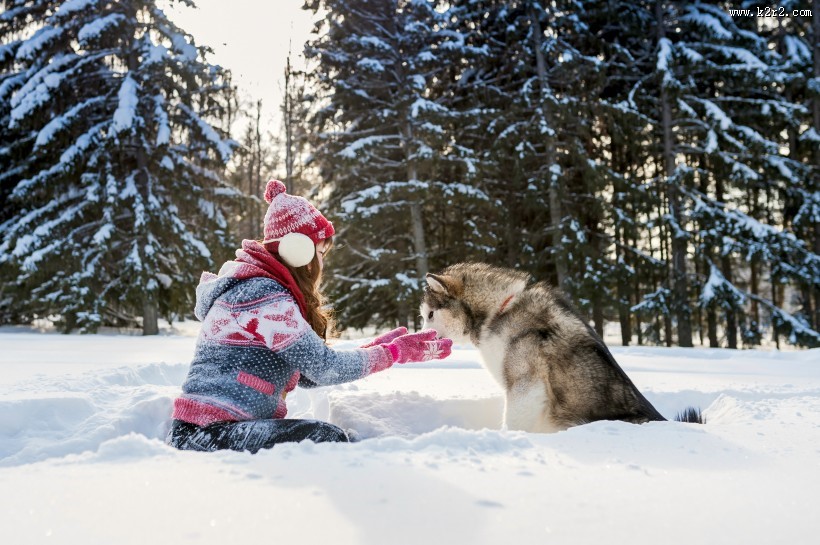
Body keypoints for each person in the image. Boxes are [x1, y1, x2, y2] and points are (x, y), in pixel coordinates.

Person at [166, 180, 452, 453]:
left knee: (329, 438)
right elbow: (324, 368)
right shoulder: (262, 295)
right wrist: (393, 353)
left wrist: (376, 348)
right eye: (319, 251)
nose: (321, 261)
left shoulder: (259, 289)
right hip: (206, 435)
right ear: (298, 250)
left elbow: (307, 375)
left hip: (213, 430)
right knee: (328, 439)